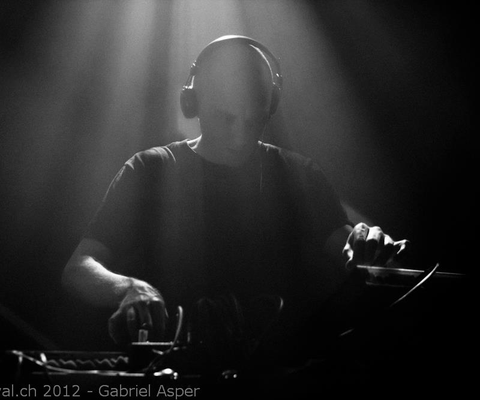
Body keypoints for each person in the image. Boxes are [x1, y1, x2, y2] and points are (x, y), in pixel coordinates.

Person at [62, 35, 408, 361]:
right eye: (226, 117)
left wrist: (369, 248)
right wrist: (126, 288)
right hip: (173, 369)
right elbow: (79, 267)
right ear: (193, 103)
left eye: (254, 119)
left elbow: (348, 247)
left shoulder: (299, 175)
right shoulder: (150, 168)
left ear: (270, 106)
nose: (240, 135)